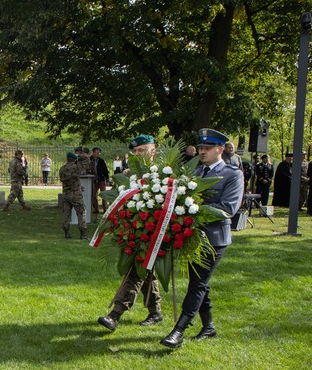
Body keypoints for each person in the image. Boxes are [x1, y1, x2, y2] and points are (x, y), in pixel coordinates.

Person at [161, 129, 244, 349]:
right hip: (193, 236)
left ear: (220, 149)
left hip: (215, 238)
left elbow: (228, 208)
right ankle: (208, 327)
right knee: (200, 282)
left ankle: (178, 330)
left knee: (198, 283)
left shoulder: (232, 174)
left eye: (207, 148)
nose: (202, 152)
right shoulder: (195, 172)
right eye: (201, 148)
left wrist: (193, 210)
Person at [97, 135, 163, 330]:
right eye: (134, 151)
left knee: (136, 272)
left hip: (154, 234)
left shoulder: (163, 175)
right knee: (146, 272)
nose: (137, 154)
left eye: (141, 150)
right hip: (132, 232)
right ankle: (156, 311)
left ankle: (115, 314)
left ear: (153, 151)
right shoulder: (127, 174)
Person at [60, 151, 88, 239]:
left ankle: (67, 233)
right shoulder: (77, 167)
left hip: (66, 194)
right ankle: (83, 234)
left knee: (66, 214)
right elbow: (87, 162)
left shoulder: (62, 169)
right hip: (76, 194)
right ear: (74, 159)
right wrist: (81, 155)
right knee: (81, 213)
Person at [91, 147, 110, 213]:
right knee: (93, 194)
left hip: (101, 179)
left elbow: (105, 170)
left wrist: (107, 179)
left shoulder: (101, 161)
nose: (98, 154)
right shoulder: (90, 160)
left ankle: (104, 208)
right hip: (93, 180)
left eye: (98, 153)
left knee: (103, 194)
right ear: (93, 153)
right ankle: (96, 208)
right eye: (96, 153)